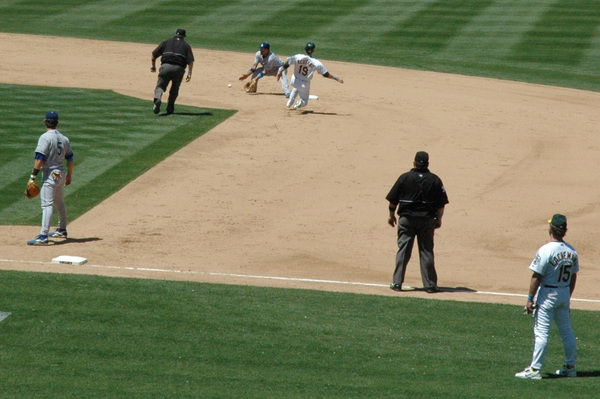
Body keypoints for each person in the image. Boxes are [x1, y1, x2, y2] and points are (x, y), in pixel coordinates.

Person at [515, 214, 579, 380]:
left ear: (551, 229)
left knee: (542, 332)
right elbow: (573, 277)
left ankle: (535, 369)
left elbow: (537, 276)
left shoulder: (546, 250)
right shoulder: (572, 251)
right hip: (564, 292)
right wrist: (567, 296)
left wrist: (530, 298)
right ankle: (570, 367)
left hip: (548, 294)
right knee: (566, 332)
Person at [385, 151, 449, 293]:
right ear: (427, 164)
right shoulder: (435, 180)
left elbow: (393, 200)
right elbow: (441, 204)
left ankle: (397, 283)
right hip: (426, 221)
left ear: (414, 163)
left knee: (403, 250)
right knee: (426, 252)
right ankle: (430, 285)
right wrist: (438, 219)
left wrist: (391, 215)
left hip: (406, 220)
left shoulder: (405, 178)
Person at [27, 111, 74, 245]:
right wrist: (69, 175)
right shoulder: (64, 138)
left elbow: (39, 159)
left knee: (47, 205)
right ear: (57, 122)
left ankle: (43, 236)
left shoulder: (45, 138)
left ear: (45, 121)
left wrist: (32, 177)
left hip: (50, 175)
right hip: (61, 174)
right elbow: (70, 158)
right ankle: (62, 229)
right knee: (59, 202)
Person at [276, 42, 343, 110]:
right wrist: (335, 77)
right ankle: (300, 102)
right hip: (304, 84)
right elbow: (325, 74)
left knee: (296, 87)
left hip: (294, 80)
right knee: (305, 101)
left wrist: (280, 71)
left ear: (305, 50)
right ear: (313, 51)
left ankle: (289, 103)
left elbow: (287, 64)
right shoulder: (316, 63)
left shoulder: (298, 57)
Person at [150, 28, 195, 115]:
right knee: (175, 88)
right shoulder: (186, 45)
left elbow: (153, 55)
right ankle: (170, 108)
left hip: (165, 67)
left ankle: (158, 98)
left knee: (160, 86)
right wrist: (189, 73)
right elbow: (191, 61)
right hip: (179, 69)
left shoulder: (166, 42)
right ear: (183, 36)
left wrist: (153, 66)